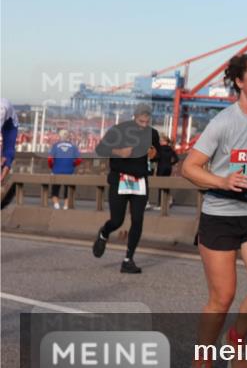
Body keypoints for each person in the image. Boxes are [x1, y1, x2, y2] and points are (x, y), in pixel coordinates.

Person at [180, 51, 247, 368]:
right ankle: (203, 358)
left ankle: (237, 336)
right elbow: (189, 167)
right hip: (220, 215)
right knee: (222, 297)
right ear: (239, 82)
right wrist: (222, 180)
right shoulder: (223, 122)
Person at [92, 104, 160, 273]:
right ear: (134, 117)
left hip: (140, 181)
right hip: (120, 179)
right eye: (141, 121)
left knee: (138, 219)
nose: (144, 124)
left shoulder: (152, 133)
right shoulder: (119, 130)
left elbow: (160, 154)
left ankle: (128, 259)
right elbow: (100, 149)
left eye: (147, 121)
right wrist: (119, 151)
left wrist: (156, 155)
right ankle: (104, 233)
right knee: (117, 220)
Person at [48, 129, 81, 209]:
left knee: (55, 188)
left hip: (56, 170)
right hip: (69, 171)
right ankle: (66, 205)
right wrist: (73, 165)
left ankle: (56, 204)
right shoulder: (73, 146)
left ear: (60, 136)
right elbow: (79, 160)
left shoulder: (55, 146)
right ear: (68, 136)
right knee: (68, 189)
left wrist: (52, 167)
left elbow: (50, 159)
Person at [148, 135, 180, 209]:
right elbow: (176, 159)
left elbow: (157, 158)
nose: (160, 142)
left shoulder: (160, 149)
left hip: (161, 168)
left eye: (161, 141)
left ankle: (160, 205)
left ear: (164, 141)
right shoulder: (171, 149)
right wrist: (170, 164)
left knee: (160, 186)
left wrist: (151, 159)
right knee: (166, 185)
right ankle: (168, 200)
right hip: (168, 169)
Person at [1, 98, 19, 209]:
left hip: (10, 124)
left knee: (8, 151)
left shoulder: (1, 110)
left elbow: (7, 147)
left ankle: (2, 177)